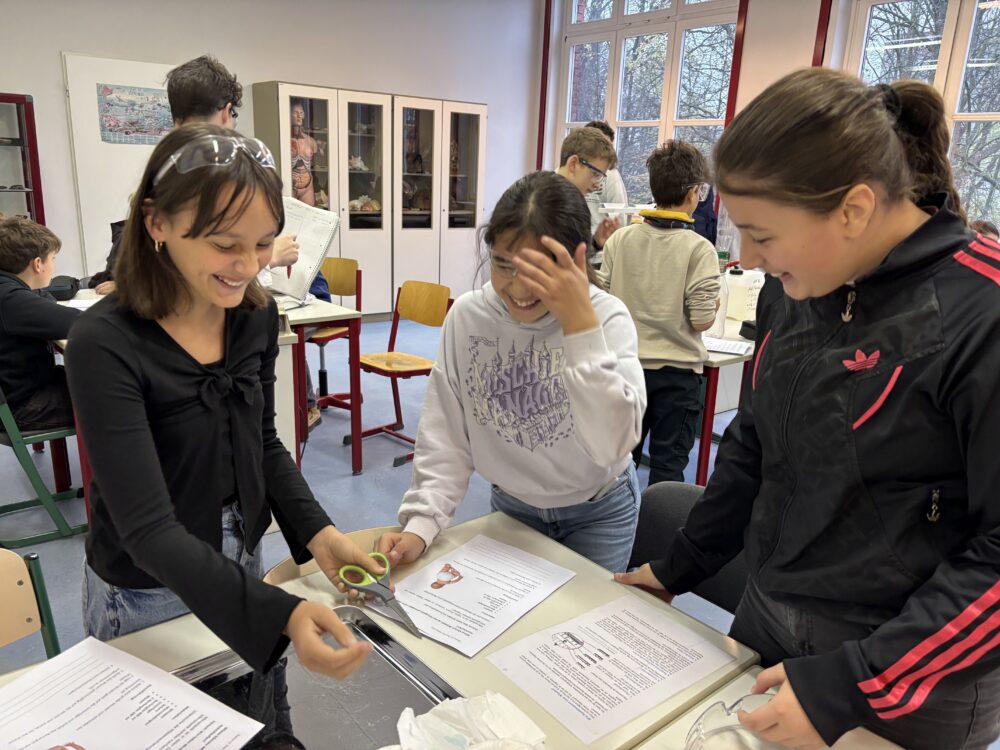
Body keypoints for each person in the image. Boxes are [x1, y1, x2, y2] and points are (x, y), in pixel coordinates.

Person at [616, 68, 1000, 750]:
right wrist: (679, 566)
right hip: (771, 615)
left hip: (909, 672)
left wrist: (848, 685)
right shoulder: (796, 291)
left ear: (852, 210)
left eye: (762, 235)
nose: (747, 258)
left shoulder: (982, 312)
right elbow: (754, 445)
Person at [66, 124, 384, 688]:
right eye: (224, 244)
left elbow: (262, 442)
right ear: (156, 223)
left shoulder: (254, 316)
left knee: (255, 711)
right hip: (148, 588)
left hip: (242, 553)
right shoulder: (104, 343)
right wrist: (277, 614)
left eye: (263, 244)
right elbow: (147, 528)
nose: (248, 265)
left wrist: (320, 534)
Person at [375, 171, 645, 573]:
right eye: (504, 265)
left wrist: (580, 327)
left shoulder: (606, 318)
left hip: (598, 511)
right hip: (514, 507)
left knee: (582, 615)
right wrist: (421, 523)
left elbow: (611, 446)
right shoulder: (468, 317)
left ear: (576, 260)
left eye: (539, 272)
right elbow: (446, 434)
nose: (519, 290)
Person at [92, 56, 298, 296]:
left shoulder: (160, 175)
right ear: (227, 111)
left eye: (262, 242)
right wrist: (272, 257)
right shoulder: (219, 174)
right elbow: (201, 280)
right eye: (225, 245)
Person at [597, 140, 720, 486]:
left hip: (625, 369)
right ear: (694, 193)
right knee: (667, 471)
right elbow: (702, 320)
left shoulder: (620, 239)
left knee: (617, 467)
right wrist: (713, 305)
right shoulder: (700, 249)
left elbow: (602, 302)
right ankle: (656, 524)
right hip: (676, 376)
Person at [0, 215, 80, 429]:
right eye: (52, 259)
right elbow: (79, 323)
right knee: (129, 396)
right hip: (22, 406)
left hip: (18, 392)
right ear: (37, 264)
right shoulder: (11, 300)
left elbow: (48, 304)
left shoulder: (8, 289)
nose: (53, 266)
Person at [556, 128, 621, 252]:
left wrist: (595, 242)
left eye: (601, 176)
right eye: (595, 174)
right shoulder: (539, 200)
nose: (597, 185)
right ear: (573, 163)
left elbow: (574, 257)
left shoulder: (576, 204)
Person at [583, 121, 629, 267]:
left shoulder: (611, 175)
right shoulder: (562, 177)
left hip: (598, 255)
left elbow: (619, 218)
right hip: (574, 255)